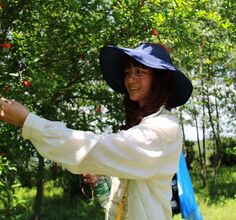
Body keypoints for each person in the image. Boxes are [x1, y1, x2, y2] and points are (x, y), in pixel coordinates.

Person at [0, 43, 193, 220]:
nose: (130, 79)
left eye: (139, 72)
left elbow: (98, 148)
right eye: (127, 72)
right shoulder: (139, 128)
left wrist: (29, 122)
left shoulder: (163, 130)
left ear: (159, 80)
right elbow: (122, 199)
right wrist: (103, 179)